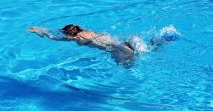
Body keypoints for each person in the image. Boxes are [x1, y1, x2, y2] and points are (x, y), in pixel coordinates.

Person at [28, 24, 179, 68]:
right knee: (149, 49)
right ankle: (163, 37)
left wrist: (39, 31)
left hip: (122, 51)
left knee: (130, 67)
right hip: (128, 41)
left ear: (71, 35)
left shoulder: (77, 39)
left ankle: (161, 40)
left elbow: (54, 37)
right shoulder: (89, 31)